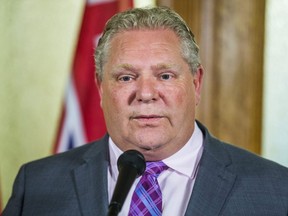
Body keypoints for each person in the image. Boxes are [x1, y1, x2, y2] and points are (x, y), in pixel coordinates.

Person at [3, 6, 288, 216]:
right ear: (101, 88)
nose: (146, 94)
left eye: (165, 75)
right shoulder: (37, 186)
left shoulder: (276, 191)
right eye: (126, 77)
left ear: (196, 83)